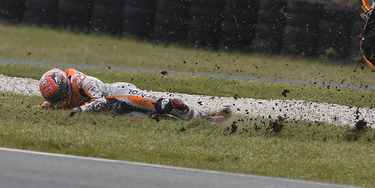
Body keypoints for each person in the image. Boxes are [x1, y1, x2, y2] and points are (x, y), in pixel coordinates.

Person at [38, 68, 231, 122]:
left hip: (120, 94)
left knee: (163, 106)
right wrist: (43, 107)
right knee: (160, 121)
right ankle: (203, 122)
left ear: (65, 83)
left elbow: (100, 102)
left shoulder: (81, 81)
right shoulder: (58, 101)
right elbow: (51, 107)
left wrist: (75, 112)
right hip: (116, 112)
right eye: (55, 98)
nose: (60, 99)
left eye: (61, 93)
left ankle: (209, 118)